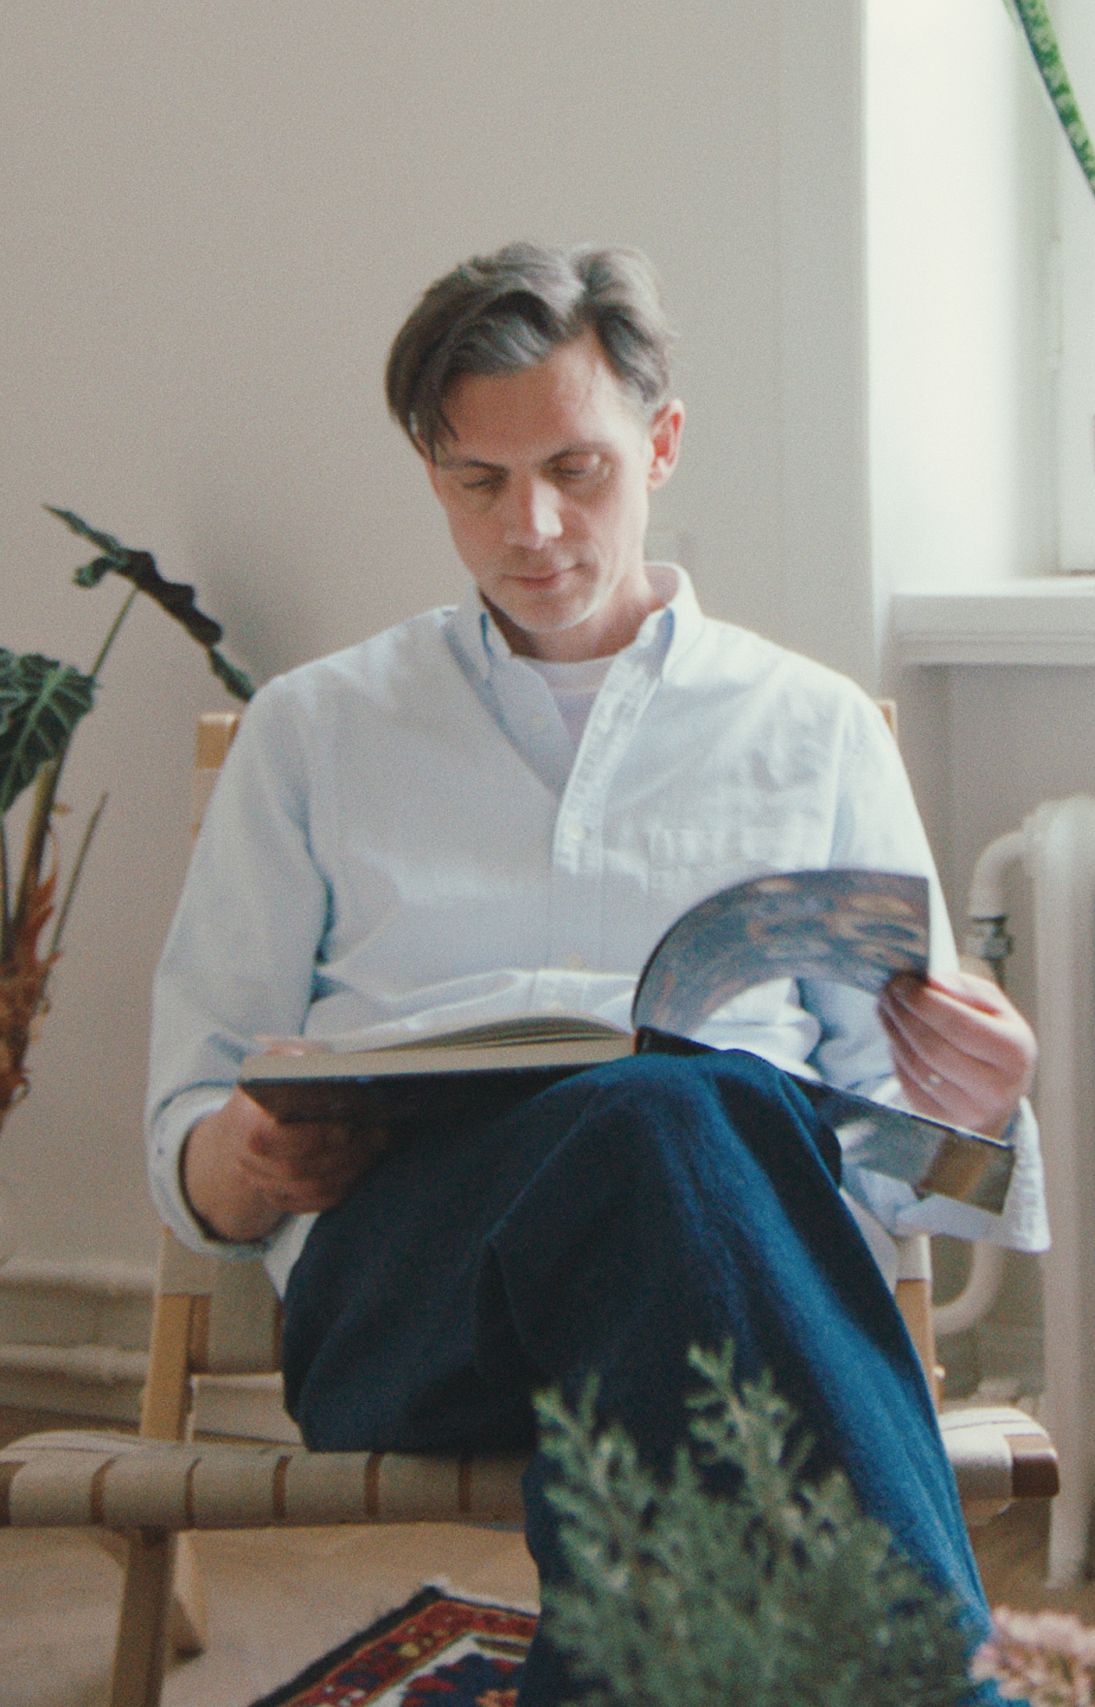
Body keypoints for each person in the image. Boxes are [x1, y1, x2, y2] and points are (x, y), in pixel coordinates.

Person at [147, 240, 1046, 1705]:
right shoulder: (314, 733)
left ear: (664, 444)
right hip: (416, 1298)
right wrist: (246, 1157)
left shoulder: (810, 731)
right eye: (477, 482)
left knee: (684, 1134)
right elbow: (189, 1129)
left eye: (579, 468)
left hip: (702, 1279)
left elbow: (907, 1189)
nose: (537, 526)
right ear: (430, 474)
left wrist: (981, 1117)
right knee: (681, 1122)